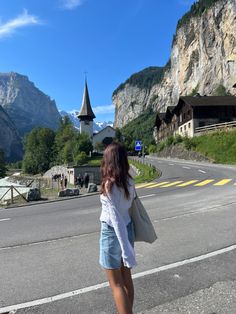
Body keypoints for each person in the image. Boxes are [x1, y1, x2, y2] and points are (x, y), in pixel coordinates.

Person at [99, 142, 136, 314]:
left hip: (113, 233)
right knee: (127, 279)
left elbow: (115, 220)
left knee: (116, 285)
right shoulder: (129, 181)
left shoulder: (109, 185)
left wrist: (125, 249)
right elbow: (127, 211)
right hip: (128, 230)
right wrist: (127, 247)